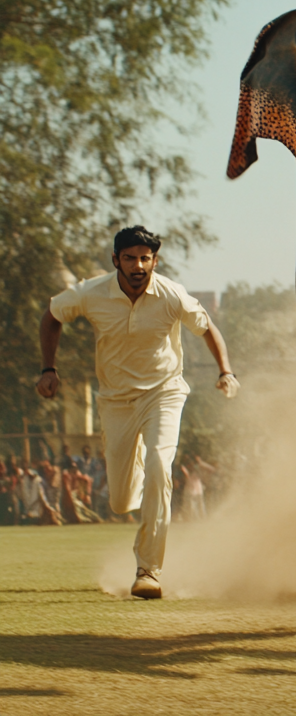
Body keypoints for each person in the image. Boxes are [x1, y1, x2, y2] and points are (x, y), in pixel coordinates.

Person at [37, 225, 240, 599]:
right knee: (119, 500)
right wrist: (49, 368)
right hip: (115, 401)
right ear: (116, 260)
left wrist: (225, 370)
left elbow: (207, 327)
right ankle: (135, 494)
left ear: (154, 261)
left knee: (161, 468)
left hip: (164, 393)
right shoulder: (91, 293)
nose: (137, 265)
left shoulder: (171, 294)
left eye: (145, 258)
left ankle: (148, 570)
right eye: (129, 258)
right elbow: (51, 316)